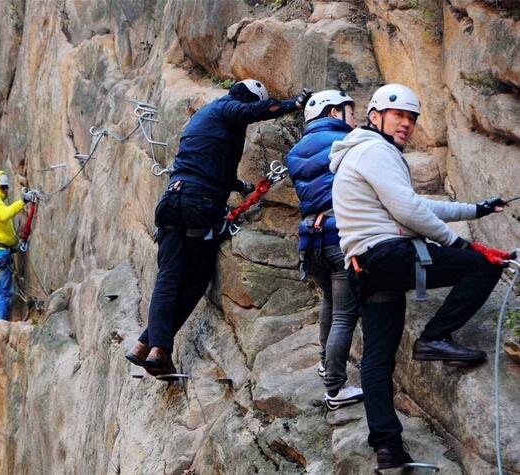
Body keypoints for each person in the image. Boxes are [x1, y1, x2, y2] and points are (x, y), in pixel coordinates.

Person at [330, 83, 506, 469]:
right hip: (388, 254)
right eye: (399, 116)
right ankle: (434, 338)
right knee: (482, 266)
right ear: (375, 116)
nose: (406, 124)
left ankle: (388, 448)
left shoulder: (358, 154)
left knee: (377, 360)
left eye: (411, 118)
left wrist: (474, 210)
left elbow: (414, 204)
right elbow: (409, 210)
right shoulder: (377, 150)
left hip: (364, 267)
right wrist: (460, 246)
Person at [124, 79, 313, 375]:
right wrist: (294, 104)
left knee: (170, 276)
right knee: (195, 278)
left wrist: (242, 186)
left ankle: (146, 345)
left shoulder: (204, 118)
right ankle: (158, 346)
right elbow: (255, 111)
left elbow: (210, 166)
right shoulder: (229, 109)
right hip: (199, 205)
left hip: (173, 199)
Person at [287, 89, 363, 409]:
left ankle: (323, 363)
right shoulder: (348, 143)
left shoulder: (295, 152)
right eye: (349, 111)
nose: (354, 118)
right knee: (345, 314)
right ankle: (335, 388)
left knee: (329, 300)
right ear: (333, 113)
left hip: (310, 239)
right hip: (338, 235)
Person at [0, 171, 35, 330]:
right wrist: (23, 201)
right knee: (4, 292)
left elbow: (4, 232)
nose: (5, 191)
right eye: (2, 187)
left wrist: (16, 245)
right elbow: (3, 215)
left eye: (6, 187)